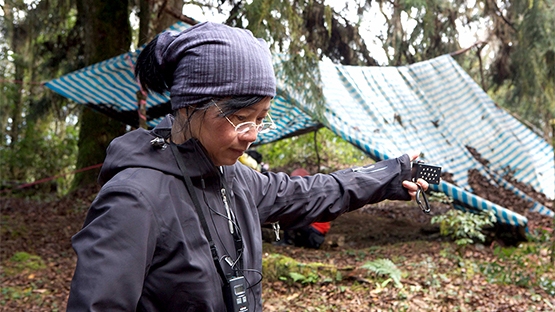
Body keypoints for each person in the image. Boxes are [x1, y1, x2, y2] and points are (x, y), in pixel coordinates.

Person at [66, 21, 429, 312]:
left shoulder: (234, 178)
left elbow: (311, 193)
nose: (252, 134)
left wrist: (390, 175)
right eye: (240, 117)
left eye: (261, 118)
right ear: (189, 106)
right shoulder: (135, 199)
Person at [281, 168, 331, 249]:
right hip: (314, 233)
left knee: (289, 213)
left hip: (314, 234)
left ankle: (287, 241)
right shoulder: (316, 191)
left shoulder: (309, 194)